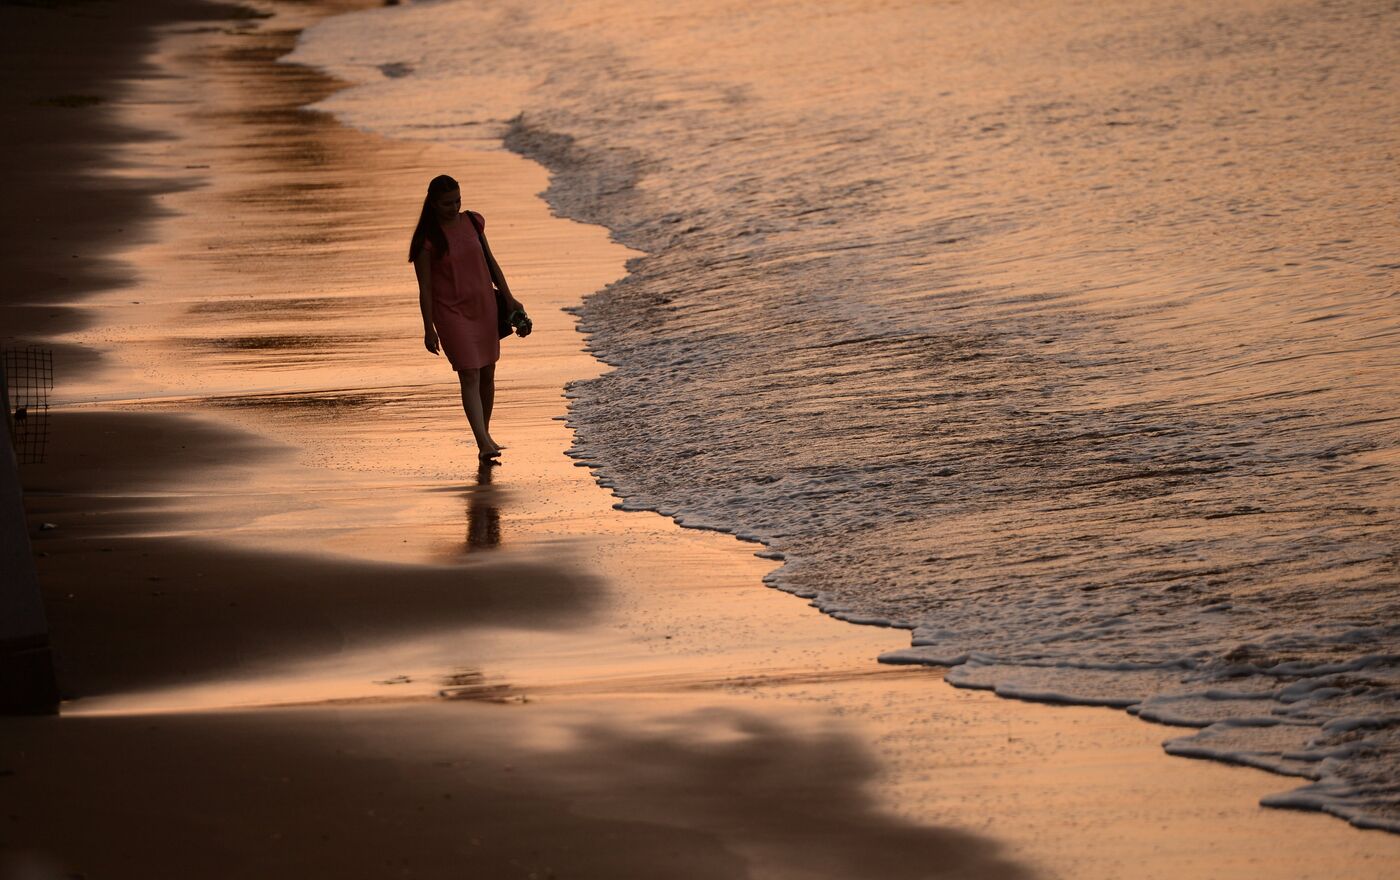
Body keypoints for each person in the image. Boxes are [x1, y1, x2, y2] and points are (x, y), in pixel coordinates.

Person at [410, 174, 525, 461]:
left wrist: (510, 298)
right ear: (434, 204)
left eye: (458, 200)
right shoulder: (427, 240)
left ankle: (484, 436)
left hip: (483, 305)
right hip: (450, 313)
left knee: (487, 371)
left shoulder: (473, 222)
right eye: (448, 203)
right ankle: (483, 441)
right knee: (469, 373)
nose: (455, 207)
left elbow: (491, 261)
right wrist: (428, 328)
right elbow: (425, 289)